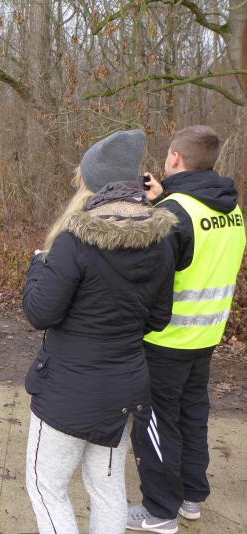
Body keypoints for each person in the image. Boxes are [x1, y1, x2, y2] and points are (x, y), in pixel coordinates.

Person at [22, 129, 177, 534]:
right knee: (107, 489)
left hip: (69, 391)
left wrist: (39, 265)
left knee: (45, 486)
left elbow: (39, 312)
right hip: (124, 388)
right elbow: (158, 319)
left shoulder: (75, 241)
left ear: (93, 182)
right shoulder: (161, 241)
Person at [127, 126, 246, 534]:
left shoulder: (175, 213)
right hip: (206, 335)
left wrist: (157, 208)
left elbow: (150, 277)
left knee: (156, 422)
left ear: (175, 158)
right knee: (193, 414)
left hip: (166, 338)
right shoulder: (230, 208)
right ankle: (192, 496)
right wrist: (165, 199)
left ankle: (159, 511)